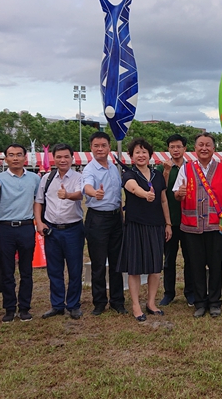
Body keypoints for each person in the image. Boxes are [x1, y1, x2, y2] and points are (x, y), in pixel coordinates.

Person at [173, 132, 222, 318]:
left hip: (216, 226)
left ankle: (215, 302)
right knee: (196, 266)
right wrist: (180, 193)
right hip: (191, 226)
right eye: (201, 145)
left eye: (208, 145)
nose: (204, 148)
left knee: (215, 265)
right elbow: (176, 194)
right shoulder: (186, 169)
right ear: (195, 148)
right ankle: (199, 302)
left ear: (214, 148)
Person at [117, 138, 172, 322]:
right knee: (135, 268)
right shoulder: (129, 174)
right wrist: (145, 194)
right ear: (131, 156)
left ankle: (151, 303)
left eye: (144, 152)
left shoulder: (157, 175)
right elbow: (132, 188)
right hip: (136, 225)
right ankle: (136, 305)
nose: (141, 155)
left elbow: (163, 200)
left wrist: (168, 224)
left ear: (150, 155)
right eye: (137, 152)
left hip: (156, 225)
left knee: (155, 267)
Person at [34, 144, 85, 320]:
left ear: (72, 158)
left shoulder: (79, 177)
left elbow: (80, 194)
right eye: (59, 157)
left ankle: (73, 305)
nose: (62, 160)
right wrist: (39, 223)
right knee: (54, 269)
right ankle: (57, 305)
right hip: (52, 230)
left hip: (73, 229)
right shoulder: (47, 178)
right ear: (53, 158)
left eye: (66, 157)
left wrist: (67, 195)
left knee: (75, 269)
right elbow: (39, 201)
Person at [0, 143, 40, 323]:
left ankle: (25, 307)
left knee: (26, 270)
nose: (15, 158)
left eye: (19, 154)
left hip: (26, 227)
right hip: (5, 229)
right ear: (6, 159)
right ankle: (9, 308)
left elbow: (38, 200)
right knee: (7, 270)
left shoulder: (34, 178)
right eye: (11, 155)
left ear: (25, 158)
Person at [82, 132, 127, 315]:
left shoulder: (114, 167)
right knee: (99, 263)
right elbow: (87, 186)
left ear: (109, 147)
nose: (100, 149)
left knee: (117, 262)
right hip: (98, 219)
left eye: (103, 145)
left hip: (116, 219)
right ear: (91, 148)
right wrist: (94, 193)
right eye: (96, 146)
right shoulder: (89, 169)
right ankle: (99, 302)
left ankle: (117, 301)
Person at [157, 134, 194, 307]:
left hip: (188, 221)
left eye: (179, 146)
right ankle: (168, 293)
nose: (175, 150)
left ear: (185, 148)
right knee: (169, 259)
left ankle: (190, 293)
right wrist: (166, 171)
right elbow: (161, 191)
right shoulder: (162, 168)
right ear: (168, 149)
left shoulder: (191, 167)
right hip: (169, 221)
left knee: (190, 259)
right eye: (172, 147)